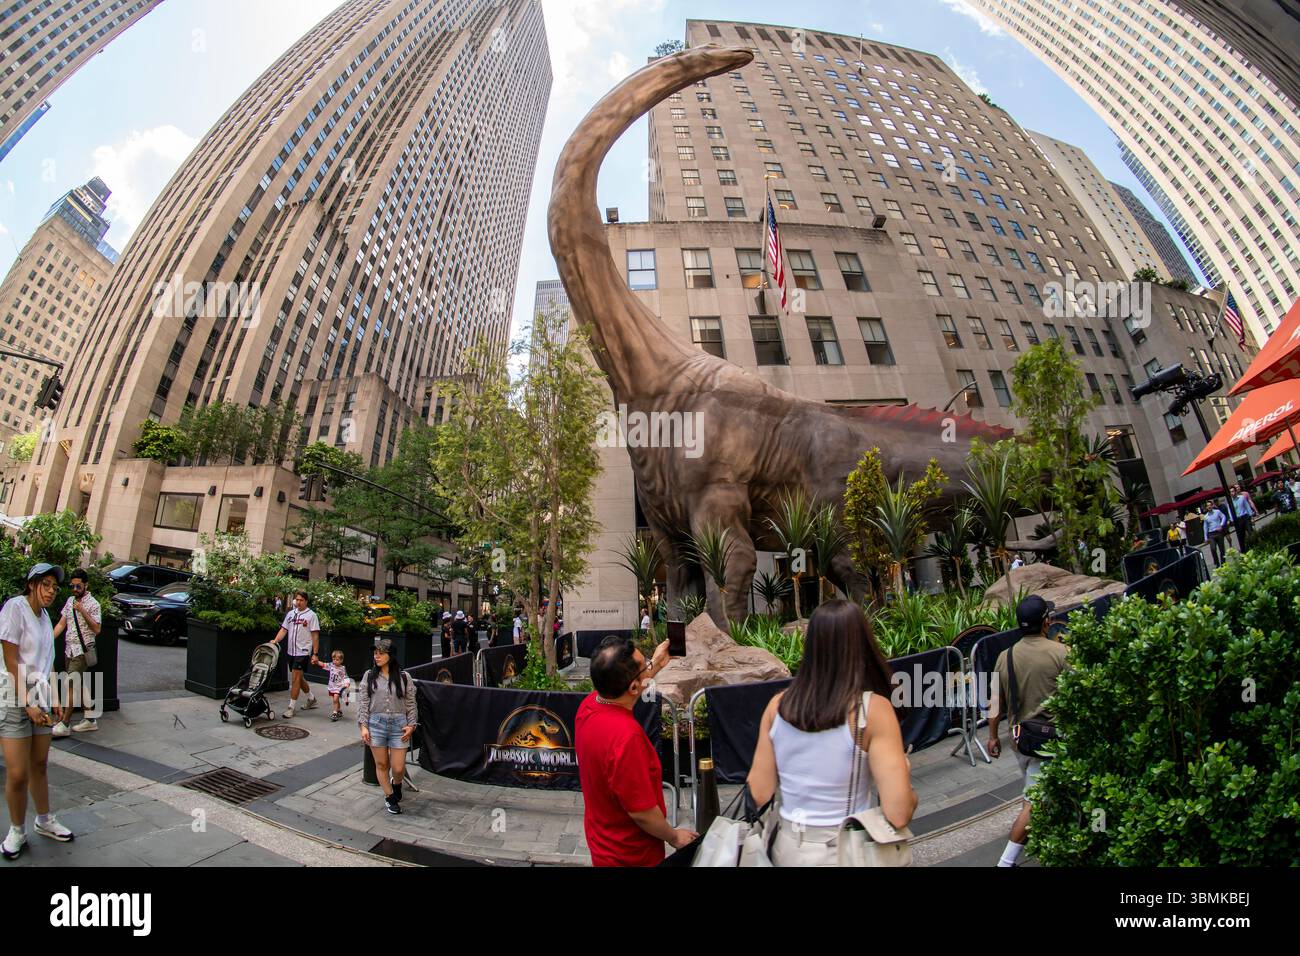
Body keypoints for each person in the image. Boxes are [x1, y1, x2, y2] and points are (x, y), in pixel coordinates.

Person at [747, 599, 916, 866]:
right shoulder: (873, 710)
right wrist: (904, 774)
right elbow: (898, 813)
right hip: (844, 850)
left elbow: (758, 792)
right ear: (863, 644)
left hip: (788, 848)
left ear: (811, 645)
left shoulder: (776, 707)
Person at [575, 635, 696, 865]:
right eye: (646, 665)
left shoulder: (589, 705)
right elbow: (642, 812)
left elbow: (630, 687)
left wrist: (657, 664)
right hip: (631, 856)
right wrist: (674, 836)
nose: (650, 665)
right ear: (632, 686)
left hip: (602, 846)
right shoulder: (626, 737)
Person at [987, 594, 1069, 868]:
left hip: (1021, 741)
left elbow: (995, 703)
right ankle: (1005, 862)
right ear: (1046, 623)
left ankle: (1055, 842)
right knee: (1032, 805)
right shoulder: (1060, 653)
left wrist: (992, 736)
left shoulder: (1004, 657)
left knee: (1044, 795)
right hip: (1052, 742)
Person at [2, 563, 75, 859]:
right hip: (12, 697)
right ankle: (17, 830)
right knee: (18, 773)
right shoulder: (15, 609)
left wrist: (53, 698)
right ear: (32, 584)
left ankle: (44, 820)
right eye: (45, 584)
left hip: (40, 698)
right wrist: (27, 704)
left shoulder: (45, 618)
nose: (50, 591)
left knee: (40, 765)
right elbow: (10, 661)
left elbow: (48, 662)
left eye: (54, 587)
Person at [357, 638, 417, 815]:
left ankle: (396, 784)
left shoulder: (404, 677)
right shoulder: (369, 675)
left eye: (381, 653)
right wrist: (363, 726)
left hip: (399, 724)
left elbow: (411, 703)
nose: (376, 656)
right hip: (376, 723)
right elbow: (363, 702)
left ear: (390, 656)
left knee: (398, 768)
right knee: (382, 764)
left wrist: (411, 725)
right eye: (375, 653)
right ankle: (389, 797)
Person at [51, 568, 101, 737]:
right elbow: (61, 624)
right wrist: (48, 639)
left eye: (78, 586)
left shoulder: (94, 604)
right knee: (79, 684)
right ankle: (90, 719)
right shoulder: (70, 601)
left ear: (86, 585)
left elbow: (97, 628)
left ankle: (65, 723)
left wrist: (83, 610)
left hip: (82, 651)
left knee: (70, 685)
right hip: (69, 649)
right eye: (72, 586)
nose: (74, 590)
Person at [270, 590, 320, 718]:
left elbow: (315, 635)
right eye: (297, 599)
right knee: (298, 678)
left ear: (306, 601)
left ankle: (290, 708)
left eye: (301, 600)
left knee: (295, 679)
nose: (298, 602)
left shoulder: (311, 615)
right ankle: (311, 698)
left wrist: (315, 653)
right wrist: (275, 640)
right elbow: (283, 630)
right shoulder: (290, 614)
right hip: (291, 651)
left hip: (303, 651)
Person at [314, 650, 349, 722]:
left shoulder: (342, 668)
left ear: (341, 660)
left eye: (337, 660)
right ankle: (339, 710)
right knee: (335, 700)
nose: (335, 661)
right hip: (332, 686)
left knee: (335, 699)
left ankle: (335, 713)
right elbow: (324, 664)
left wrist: (347, 684)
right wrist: (317, 662)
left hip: (338, 687)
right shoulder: (331, 665)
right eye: (333, 659)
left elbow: (345, 677)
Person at [1204, 500, 1228, 566]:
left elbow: (1223, 517)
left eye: (1210, 505)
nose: (1209, 507)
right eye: (1207, 506)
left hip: (1219, 532)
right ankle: (1217, 563)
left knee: (1222, 549)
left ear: (1212, 505)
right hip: (1211, 534)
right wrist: (1206, 538)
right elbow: (1205, 527)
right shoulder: (1206, 517)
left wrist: (1221, 525)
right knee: (1213, 549)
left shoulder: (1217, 512)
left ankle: (1223, 563)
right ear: (1206, 507)